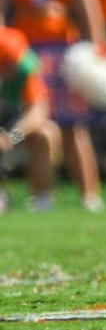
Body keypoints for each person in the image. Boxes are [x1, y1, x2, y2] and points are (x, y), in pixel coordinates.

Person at [0, 0, 105, 210]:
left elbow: (88, 10)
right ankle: (41, 195)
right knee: (36, 125)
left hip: (63, 52)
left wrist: (97, 49)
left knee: (74, 127)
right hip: (24, 55)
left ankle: (90, 196)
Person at [0, 26, 59, 212]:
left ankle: (42, 200)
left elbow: (38, 112)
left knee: (47, 134)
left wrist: (11, 137)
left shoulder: (25, 70)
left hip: (12, 125)